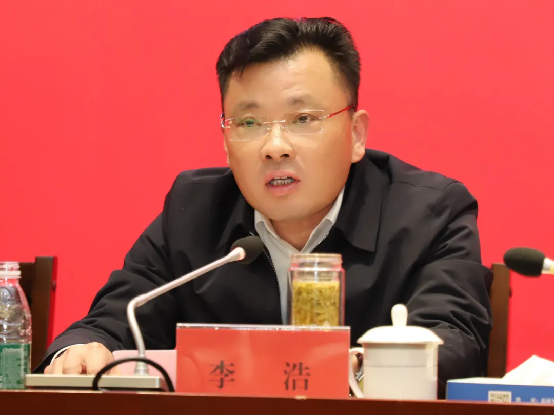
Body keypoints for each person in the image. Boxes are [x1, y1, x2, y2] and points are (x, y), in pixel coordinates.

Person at [40, 17, 492, 395]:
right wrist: (80, 351)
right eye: (250, 123)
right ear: (225, 140)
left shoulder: (428, 214)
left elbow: (455, 340)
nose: (275, 146)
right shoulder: (193, 212)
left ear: (356, 134)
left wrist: (353, 367)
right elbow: (113, 321)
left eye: (303, 119)